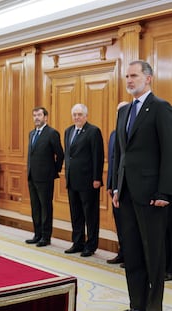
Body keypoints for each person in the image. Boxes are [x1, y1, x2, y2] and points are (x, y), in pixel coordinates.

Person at [112, 60, 172, 311]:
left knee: (153, 256)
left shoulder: (160, 108)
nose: (129, 80)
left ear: (148, 78)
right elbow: (121, 153)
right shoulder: (123, 111)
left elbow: (169, 151)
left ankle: (153, 307)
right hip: (125, 194)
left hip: (151, 195)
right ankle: (136, 304)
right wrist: (116, 187)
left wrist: (165, 191)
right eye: (127, 76)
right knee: (133, 255)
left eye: (134, 75)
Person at [63, 103, 104, 257]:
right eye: (74, 114)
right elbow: (69, 155)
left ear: (86, 116)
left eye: (80, 114)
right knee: (76, 214)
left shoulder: (93, 131)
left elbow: (97, 156)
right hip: (72, 180)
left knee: (90, 214)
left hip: (88, 181)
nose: (77, 117)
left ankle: (91, 245)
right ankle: (77, 242)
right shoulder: (68, 131)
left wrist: (97, 178)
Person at [25, 107, 63, 247]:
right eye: (34, 115)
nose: (36, 118)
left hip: (45, 177)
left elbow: (60, 154)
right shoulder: (31, 134)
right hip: (32, 176)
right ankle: (37, 234)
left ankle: (46, 237)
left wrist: (54, 171)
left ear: (45, 117)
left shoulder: (52, 133)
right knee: (35, 207)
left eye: (39, 115)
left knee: (45, 208)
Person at [106, 101, 128, 266]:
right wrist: (110, 185)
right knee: (120, 224)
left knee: (129, 225)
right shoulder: (114, 134)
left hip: (128, 187)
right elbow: (112, 161)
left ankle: (131, 256)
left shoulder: (130, 133)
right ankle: (122, 252)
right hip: (116, 188)